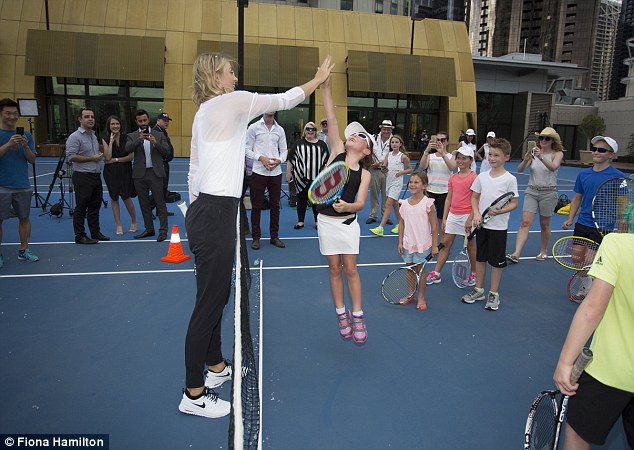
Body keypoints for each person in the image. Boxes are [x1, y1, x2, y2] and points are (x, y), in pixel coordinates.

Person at [180, 52, 333, 418]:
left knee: (216, 295)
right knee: (209, 301)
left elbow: (194, 168)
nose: (235, 77)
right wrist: (318, 79)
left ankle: (215, 366)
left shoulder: (204, 113)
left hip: (211, 210)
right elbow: (283, 100)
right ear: (217, 77)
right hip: (215, 211)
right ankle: (193, 392)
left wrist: (198, 213)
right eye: (230, 72)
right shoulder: (230, 102)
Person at [553, 232, 634, 450]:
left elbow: (592, 307)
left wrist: (565, 362)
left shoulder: (618, 244)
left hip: (610, 372)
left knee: (577, 435)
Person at [317, 75, 372, 345]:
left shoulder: (365, 174)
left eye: (360, 136)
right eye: (352, 133)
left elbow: (361, 203)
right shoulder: (337, 150)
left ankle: (358, 315)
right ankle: (341, 313)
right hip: (326, 222)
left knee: (351, 269)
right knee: (335, 269)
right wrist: (325, 87)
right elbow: (332, 116)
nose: (353, 136)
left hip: (348, 223)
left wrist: (347, 206)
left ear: (366, 149)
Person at [461, 138, 518, 311]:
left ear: (506, 157)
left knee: (496, 262)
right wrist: (477, 214)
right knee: (481, 258)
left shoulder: (510, 179)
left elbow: (514, 203)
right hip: (482, 226)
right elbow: (474, 198)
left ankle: (494, 293)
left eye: (496, 155)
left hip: (498, 228)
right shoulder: (482, 177)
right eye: (490, 155)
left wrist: (500, 211)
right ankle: (479, 290)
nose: (492, 158)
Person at [506, 127, 564, 263]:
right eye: (541, 138)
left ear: (552, 141)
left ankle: (543, 251)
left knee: (544, 224)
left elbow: (553, 167)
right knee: (525, 222)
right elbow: (520, 169)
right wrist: (526, 159)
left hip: (548, 192)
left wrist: (540, 156)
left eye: (547, 138)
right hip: (532, 190)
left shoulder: (557, 154)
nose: (543, 140)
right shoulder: (534, 153)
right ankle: (516, 253)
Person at [425, 147, 477, 286]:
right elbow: (449, 198)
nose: (460, 161)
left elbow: (476, 200)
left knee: (470, 245)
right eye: (458, 158)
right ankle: (436, 273)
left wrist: (470, 218)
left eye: (464, 158)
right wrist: (446, 217)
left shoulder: (474, 178)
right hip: (453, 215)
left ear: (471, 160)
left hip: (467, 216)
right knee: (446, 243)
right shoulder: (453, 178)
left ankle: (474, 274)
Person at [563, 136, 625, 244]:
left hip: (603, 226)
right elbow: (577, 198)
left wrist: (622, 226)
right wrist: (570, 218)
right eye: (594, 149)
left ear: (611, 154)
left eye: (601, 150)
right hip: (582, 222)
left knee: (591, 259)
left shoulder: (619, 176)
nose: (596, 152)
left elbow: (622, 204)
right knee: (577, 259)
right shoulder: (583, 174)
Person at [0, 98, 39, 266]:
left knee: (24, 218)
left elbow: (32, 160)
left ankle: (24, 250)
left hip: (22, 184)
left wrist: (26, 147)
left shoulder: (26, 135)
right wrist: (8, 144)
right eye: (8, 113)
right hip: (2, 185)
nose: (12, 116)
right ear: (1, 114)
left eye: (15, 113)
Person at [65, 107, 109, 245]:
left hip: (95, 175)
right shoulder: (75, 137)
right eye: (87, 116)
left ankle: (95, 232)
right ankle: (80, 235)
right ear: (80, 119)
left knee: (95, 206)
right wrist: (92, 158)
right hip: (82, 176)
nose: (90, 119)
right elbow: (71, 156)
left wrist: (97, 157)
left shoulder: (93, 136)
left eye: (92, 116)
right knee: (82, 206)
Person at [126, 109, 170, 242]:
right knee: (144, 204)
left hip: (155, 173)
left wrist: (155, 142)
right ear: (136, 122)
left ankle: (163, 231)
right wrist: (139, 140)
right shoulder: (132, 136)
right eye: (140, 121)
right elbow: (127, 149)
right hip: (139, 175)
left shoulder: (158, 134)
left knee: (160, 203)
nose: (143, 123)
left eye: (144, 120)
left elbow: (167, 151)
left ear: (148, 119)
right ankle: (149, 229)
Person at [245, 112, 288, 249]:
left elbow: (284, 150)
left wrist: (279, 160)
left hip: (275, 173)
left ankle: (274, 236)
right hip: (258, 172)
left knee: (275, 206)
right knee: (256, 206)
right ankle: (256, 237)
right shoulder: (253, 127)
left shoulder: (280, 130)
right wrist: (260, 158)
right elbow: (246, 149)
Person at [397, 171, 439, 311]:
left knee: (420, 271)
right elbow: (401, 224)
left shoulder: (428, 203)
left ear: (424, 185)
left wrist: (434, 246)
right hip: (408, 243)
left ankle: (421, 297)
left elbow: (434, 226)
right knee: (409, 269)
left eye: (416, 182)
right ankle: (411, 294)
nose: (412, 185)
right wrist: (400, 242)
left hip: (423, 243)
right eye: (411, 182)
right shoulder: (404, 204)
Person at [286, 121, 329, 229]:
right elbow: (290, 160)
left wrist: (325, 175)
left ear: (315, 132)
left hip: (317, 178)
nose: (310, 131)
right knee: (301, 200)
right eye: (308, 129)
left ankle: (317, 221)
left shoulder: (322, 145)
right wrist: (288, 173)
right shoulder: (298, 143)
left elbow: (325, 162)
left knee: (316, 201)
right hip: (300, 178)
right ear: (304, 131)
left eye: (313, 129)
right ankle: (300, 221)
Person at [101, 115, 137, 236]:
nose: (115, 126)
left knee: (126, 197)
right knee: (114, 198)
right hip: (110, 173)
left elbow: (130, 157)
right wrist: (110, 143)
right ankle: (119, 224)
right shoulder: (105, 139)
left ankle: (134, 221)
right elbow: (107, 158)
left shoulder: (127, 137)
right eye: (112, 124)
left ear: (120, 125)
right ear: (109, 126)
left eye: (117, 123)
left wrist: (115, 159)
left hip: (125, 170)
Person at [369, 134, 412, 236]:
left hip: (396, 183)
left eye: (396, 142)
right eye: (392, 142)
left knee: (388, 204)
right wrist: (379, 165)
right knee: (395, 204)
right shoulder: (388, 154)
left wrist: (402, 172)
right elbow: (384, 165)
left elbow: (410, 169)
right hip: (389, 181)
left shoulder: (403, 156)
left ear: (400, 144)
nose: (394, 144)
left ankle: (380, 228)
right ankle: (401, 224)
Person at [420, 130, 457, 242]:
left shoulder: (451, 156)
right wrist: (426, 151)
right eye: (438, 139)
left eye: (443, 140)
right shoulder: (430, 156)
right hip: (430, 190)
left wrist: (443, 154)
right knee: (426, 217)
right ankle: (426, 240)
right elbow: (422, 166)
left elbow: (452, 167)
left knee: (442, 219)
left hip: (444, 191)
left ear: (447, 142)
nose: (440, 142)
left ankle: (442, 241)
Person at [366, 119, 393, 225]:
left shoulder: (394, 140)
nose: (386, 131)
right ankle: (373, 215)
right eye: (384, 129)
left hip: (388, 171)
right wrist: (370, 163)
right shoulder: (373, 138)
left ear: (391, 130)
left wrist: (385, 162)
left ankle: (385, 216)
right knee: (374, 194)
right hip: (374, 170)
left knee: (386, 195)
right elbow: (367, 151)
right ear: (381, 128)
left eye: (388, 129)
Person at [153, 112, 175, 216]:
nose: (166, 123)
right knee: (160, 189)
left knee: (163, 188)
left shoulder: (162, 131)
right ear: (158, 120)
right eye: (164, 120)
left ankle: (160, 210)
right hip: (160, 164)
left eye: (167, 121)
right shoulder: (156, 132)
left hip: (164, 163)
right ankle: (149, 207)